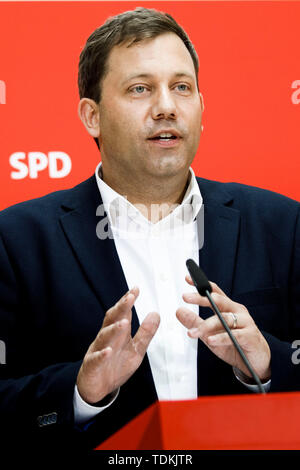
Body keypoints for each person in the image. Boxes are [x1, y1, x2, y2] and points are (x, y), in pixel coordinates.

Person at [0, 7, 300, 452]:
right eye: (140, 89)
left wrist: (269, 365)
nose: (166, 107)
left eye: (181, 87)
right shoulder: (16, 241)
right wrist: (81, 394)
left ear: (201, 107)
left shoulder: (283, 224)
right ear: (91, 116)